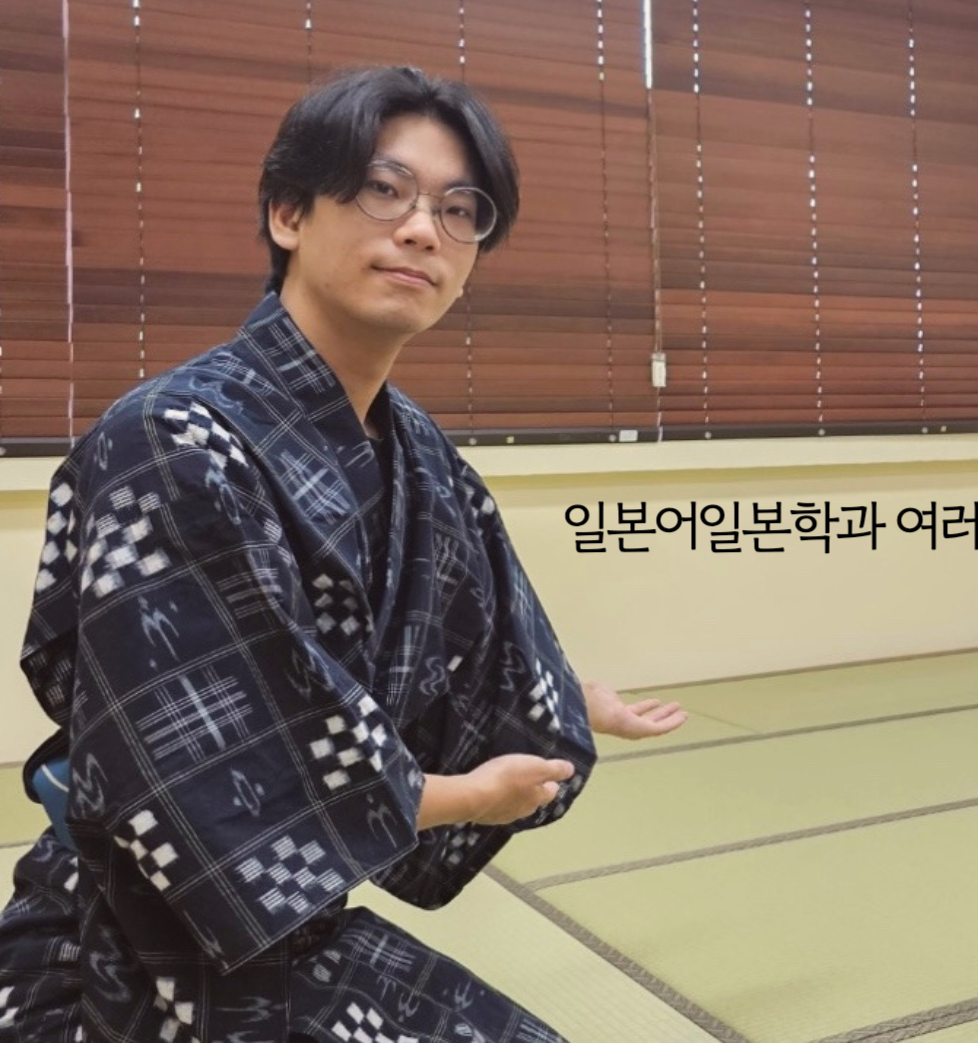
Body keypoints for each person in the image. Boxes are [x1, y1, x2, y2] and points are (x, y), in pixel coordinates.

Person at [0, 65, 687, 1042]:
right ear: (288, 213)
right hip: (124, 947)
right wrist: (462, 797)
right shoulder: (172, 440)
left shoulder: (420, 455)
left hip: (284, 937)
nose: (423, 231)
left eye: (459, 210)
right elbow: (204, 763)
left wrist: (565, 702)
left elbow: (452, 649)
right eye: (383, 190)